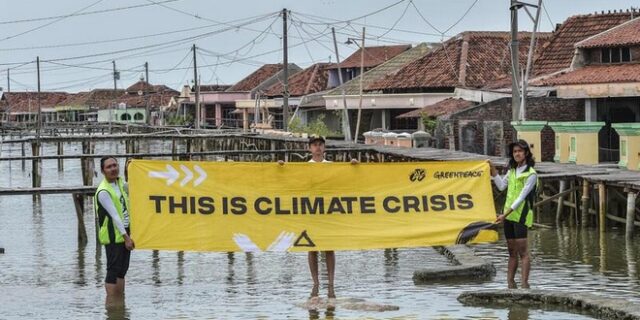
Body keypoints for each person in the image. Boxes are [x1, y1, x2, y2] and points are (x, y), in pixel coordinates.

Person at [279, 135, 358, 299]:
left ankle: (331, 282)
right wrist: (281, 168)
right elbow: (290, 181)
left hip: (328, 211)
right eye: (314, 145)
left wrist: (353, 167)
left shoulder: (332, 166)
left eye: (320, 144)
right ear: (310, 148)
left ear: (324, 148)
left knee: (330, 247)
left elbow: (344, 180)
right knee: (312, 248)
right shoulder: (304, 167)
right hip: (310, 211)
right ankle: (315, 282)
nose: (318, 147)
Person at [490, 139, 538, 289]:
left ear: (526, 153)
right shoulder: (511, 171)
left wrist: (504, 214)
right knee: (511, 251)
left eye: (520, 151)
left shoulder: (531, 174)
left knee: (522, 251)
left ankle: (524, 284)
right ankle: (510, 283)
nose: (517, 154)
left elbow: (521, 197)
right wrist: (492, 170)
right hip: (508, 216)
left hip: (521, 215)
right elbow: (501, 186)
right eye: (515, 151)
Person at [95, 156, 135, 299]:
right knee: (113, 270)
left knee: (122, 270)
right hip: (114, 235)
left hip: (126, 232)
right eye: (109, 167)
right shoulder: (103, 191)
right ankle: (112, 305)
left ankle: (120, 304)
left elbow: (135, 188)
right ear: (103, 171)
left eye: (115, 165)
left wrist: (132, 168)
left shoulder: (120, 183)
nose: (113, 169)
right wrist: (126, 238)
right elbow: (115, 216)